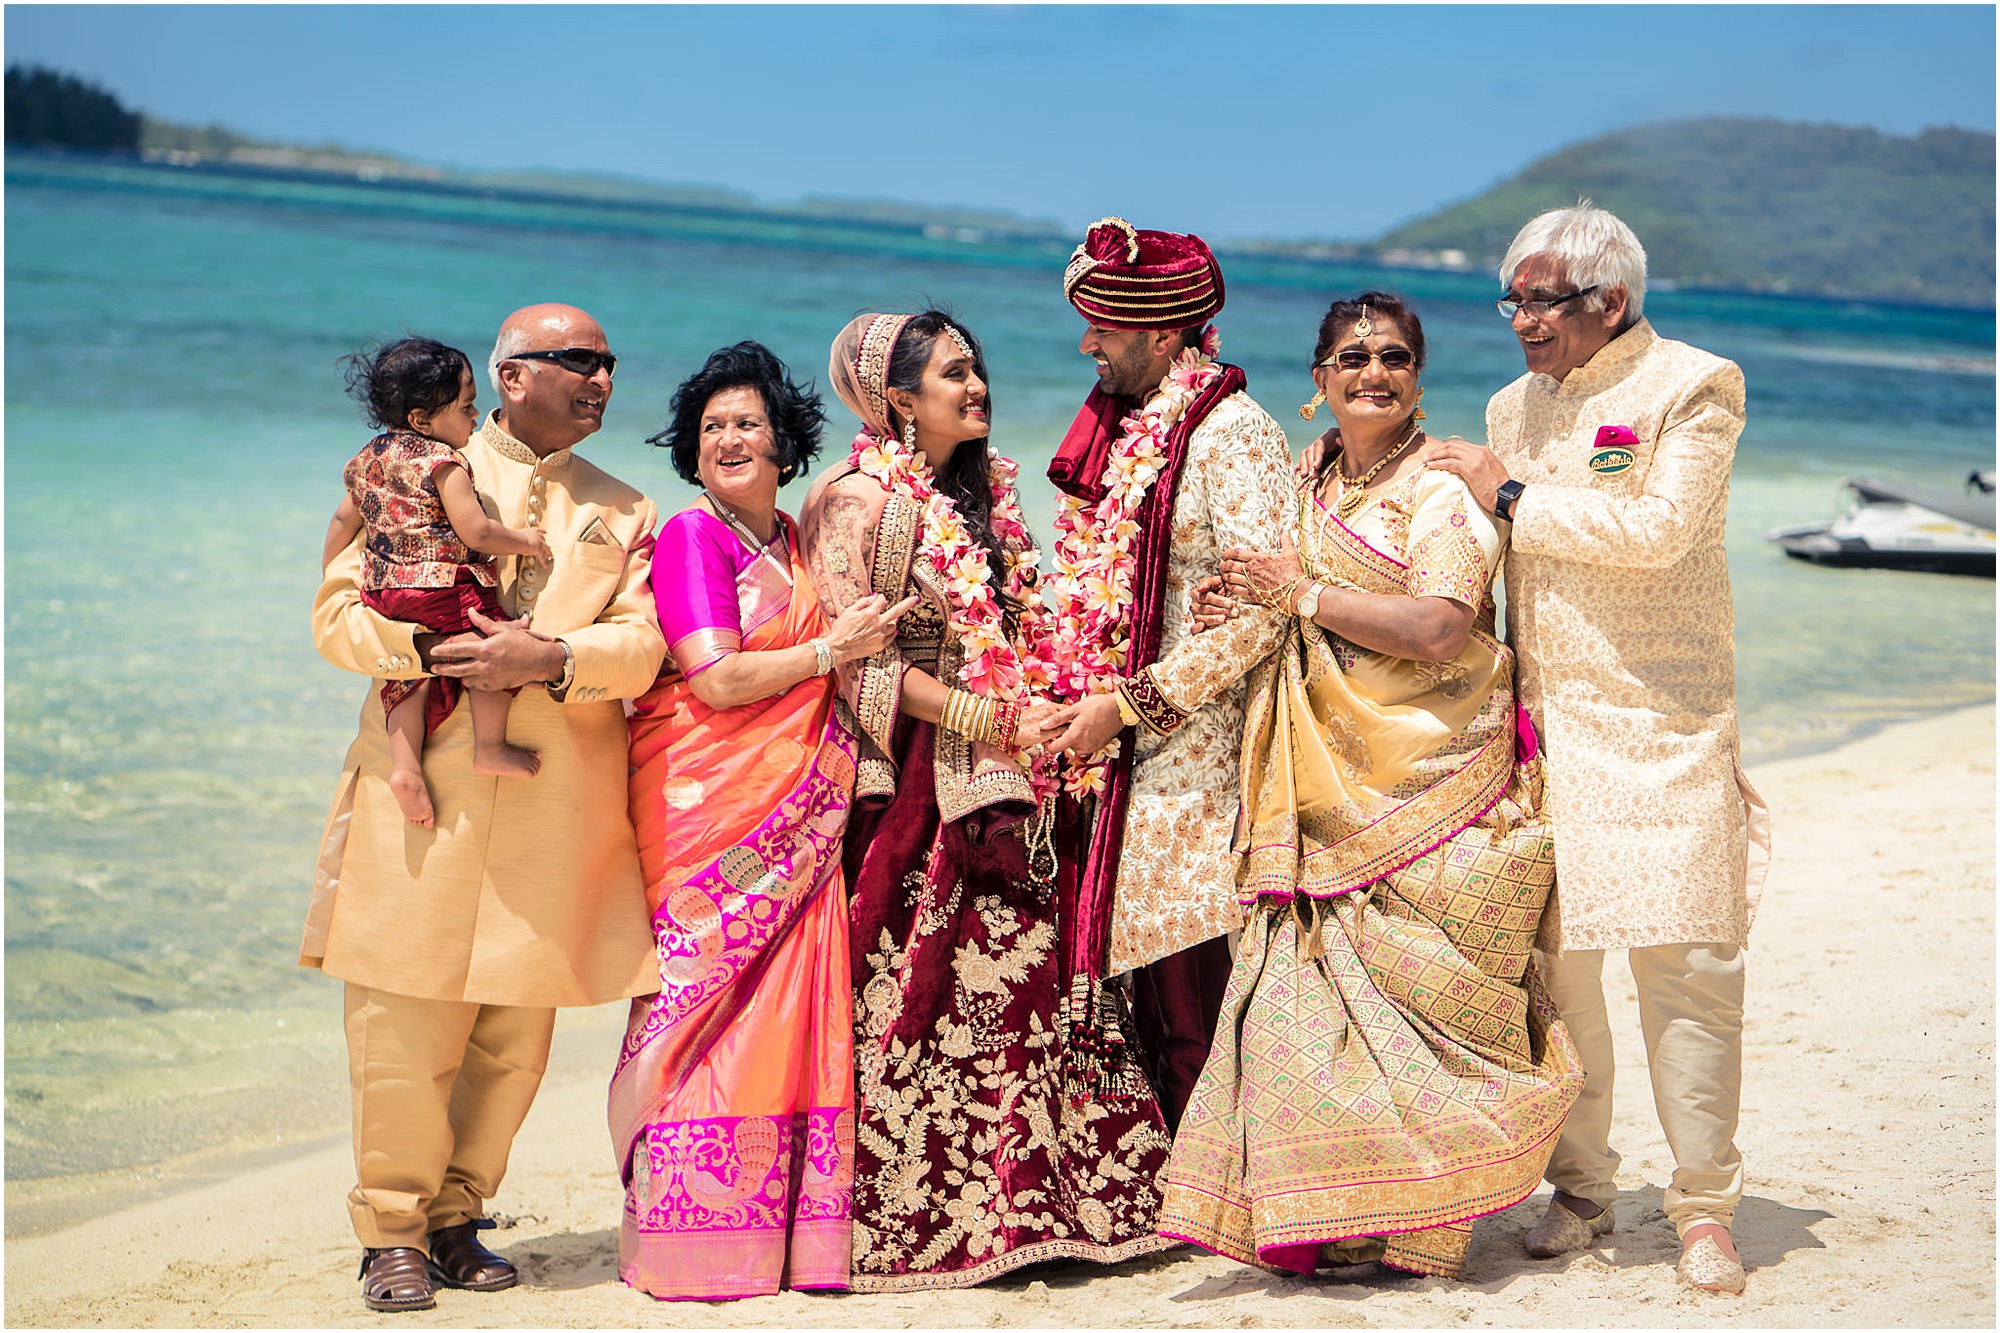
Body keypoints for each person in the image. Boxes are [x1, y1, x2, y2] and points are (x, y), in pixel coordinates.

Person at [1156, 291, 1583, 1280]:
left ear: (1418, 376)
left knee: (1422, 1026)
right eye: (1349, 359)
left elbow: (1439, 628)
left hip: (1425, 782)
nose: (1371, 373)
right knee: (1304, 1011)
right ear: (1318, 381)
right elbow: (1288, 595)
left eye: (1393, 356)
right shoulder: (1314, 487)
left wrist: (1300, 592)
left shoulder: (1437, 492)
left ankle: (1423, 1220)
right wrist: (1249, 593)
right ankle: (1327, 1212)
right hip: (1322, 791)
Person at [1422, 203, 1771, 1295]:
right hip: (1540, 733)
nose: (1519, 320)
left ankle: (1704, 1208)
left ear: (1605, 301)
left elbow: (1658, 529)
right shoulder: (1506, 406)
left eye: (1538, 299)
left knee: (1689, 971)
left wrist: (1509, 492)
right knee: (1558, 979)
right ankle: (1579, 1189)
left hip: (1664, 725)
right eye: (1511, 299)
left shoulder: (1693, 384)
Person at [799, 310, 1175, 1291]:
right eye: (952, 373)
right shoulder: (854, 500)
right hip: (923, 775)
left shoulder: (979, 493)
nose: (976, 386)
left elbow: (1022, 623)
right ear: (895, 399)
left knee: (1036, 976)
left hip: (1016, 755)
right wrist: (979, 713)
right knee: (928, 984)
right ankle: (931, 1217)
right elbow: (858, 663)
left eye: (976, 368)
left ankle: (1047, 1204)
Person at [304, 303, 666, 1313]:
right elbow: (335, 617)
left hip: (554, 801)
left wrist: (550, 658)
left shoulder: (627, 508)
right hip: (421, 796)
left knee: (514, 1036)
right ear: (510, 374)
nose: (600, 377)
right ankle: (391, 1229)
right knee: (401, 1023)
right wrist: (428, 652)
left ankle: (460, 1215)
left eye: (608, 361)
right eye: (577, 360)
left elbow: (644, 645)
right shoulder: (412, 463)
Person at [609, 342, 912, 1301]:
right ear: (692, 457)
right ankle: (681, 1233)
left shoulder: (791, 538)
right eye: (710, 429)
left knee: (786, 1010)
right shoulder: (696, 539)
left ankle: (775, 1235)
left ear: (784, 441)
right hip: (706, 807)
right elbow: (715, 676)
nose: (729, 438)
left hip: (795, 806)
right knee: (698, 1007)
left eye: (746, 422)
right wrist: (832, 648)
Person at [1035, 218, 1295, 1131]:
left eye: (1102, 325)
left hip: (1202, 753)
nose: (1086, 344)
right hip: (1122, 754)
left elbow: (1266, 607)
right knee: (1145, 979)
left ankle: (1246, 1198)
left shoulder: (1236, 433)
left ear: (1162, 332)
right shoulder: (1132, 429)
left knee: (1196, 975)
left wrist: (1129, 704)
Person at [323, 337, 553, 829]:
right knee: (494, 644)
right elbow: (477, 531)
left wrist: (333, 578)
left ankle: (405, 768)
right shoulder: (442, 462)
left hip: (384, 589)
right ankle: (489, 747)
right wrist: (526, 540)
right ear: (422, 419)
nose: (475, 417)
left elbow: (341, 526)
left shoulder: (369, 459)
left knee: (404, 675)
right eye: (467, 407)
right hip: (442, 582)